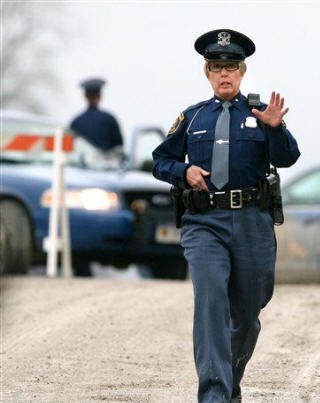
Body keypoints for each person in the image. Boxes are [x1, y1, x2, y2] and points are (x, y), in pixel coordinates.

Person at [152, 29, 300, 403]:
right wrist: (183, 171)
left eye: (231, 66)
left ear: (242, 71)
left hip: (252, 222)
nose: (224, 73)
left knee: (248, 313)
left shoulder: (260, 113)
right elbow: (160, 160)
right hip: (204, 223)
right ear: (207, 72)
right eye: (217, 66)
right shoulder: (192, 117)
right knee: (211, 301)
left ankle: (230, 379)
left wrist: (275, 129)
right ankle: (214, 394)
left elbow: (287, 158)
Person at [70, 77, 124, 153]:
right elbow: (118, 146)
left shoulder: (76, 122)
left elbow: (72, 147)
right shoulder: (109, 119)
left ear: (85, 96)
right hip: (105, 159)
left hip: (82, 160)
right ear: (100, 96)